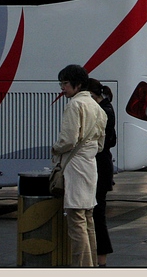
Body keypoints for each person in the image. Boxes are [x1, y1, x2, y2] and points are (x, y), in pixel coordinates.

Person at [52, 64, 107, 267]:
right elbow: (101, 144)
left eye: (65, 84)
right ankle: (92, 264)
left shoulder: (75, 105)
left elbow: (68, 139)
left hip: (75, 166)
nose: (63, 88)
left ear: (78, 85)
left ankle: (82, 266)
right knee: (88, 218)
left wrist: (55, 149)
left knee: (76, 220)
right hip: (90, 164)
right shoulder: (96, 106)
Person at [87, 79, 116, 267]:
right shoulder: (107, 107)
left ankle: (99, 260)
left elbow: (105, 141)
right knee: (98, 214)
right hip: (103, 167)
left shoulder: (101, 111)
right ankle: (99, 260)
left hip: (99, 167)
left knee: (97, 215)